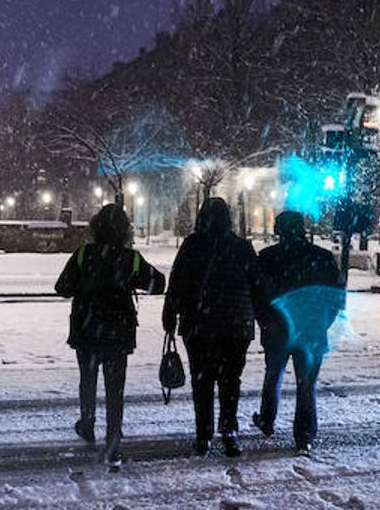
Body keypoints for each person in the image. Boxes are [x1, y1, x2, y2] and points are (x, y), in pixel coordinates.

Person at [55, 203, 166, 470]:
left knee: (88, 379)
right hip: (118, 331)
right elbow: (158, 283)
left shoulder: (83, 255)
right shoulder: (130, 259)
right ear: (124, 230)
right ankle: (113, 437)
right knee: (115, 387)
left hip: (86, 330)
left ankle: (87, 423)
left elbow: (62, 287)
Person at [163, 197, 258, 457]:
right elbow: (256, 285)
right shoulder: (241, 247)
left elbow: (178, 282)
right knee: (230, 381)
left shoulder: (192, 246)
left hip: (199, 325)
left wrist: (170, 315)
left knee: (202, 382)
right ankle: (229, 431)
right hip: (235, 325)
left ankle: (203, 435)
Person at [252, 211, 345, 452]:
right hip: (311, 330)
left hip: (277, 329)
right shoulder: (322, 257)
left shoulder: (267, 258)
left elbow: (258, 297)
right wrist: (323, 322)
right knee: (306, 385)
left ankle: (267, 419)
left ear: (279, 230)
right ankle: (304, 435)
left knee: (273, 375)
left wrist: (265, 321)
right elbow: (335, 297)